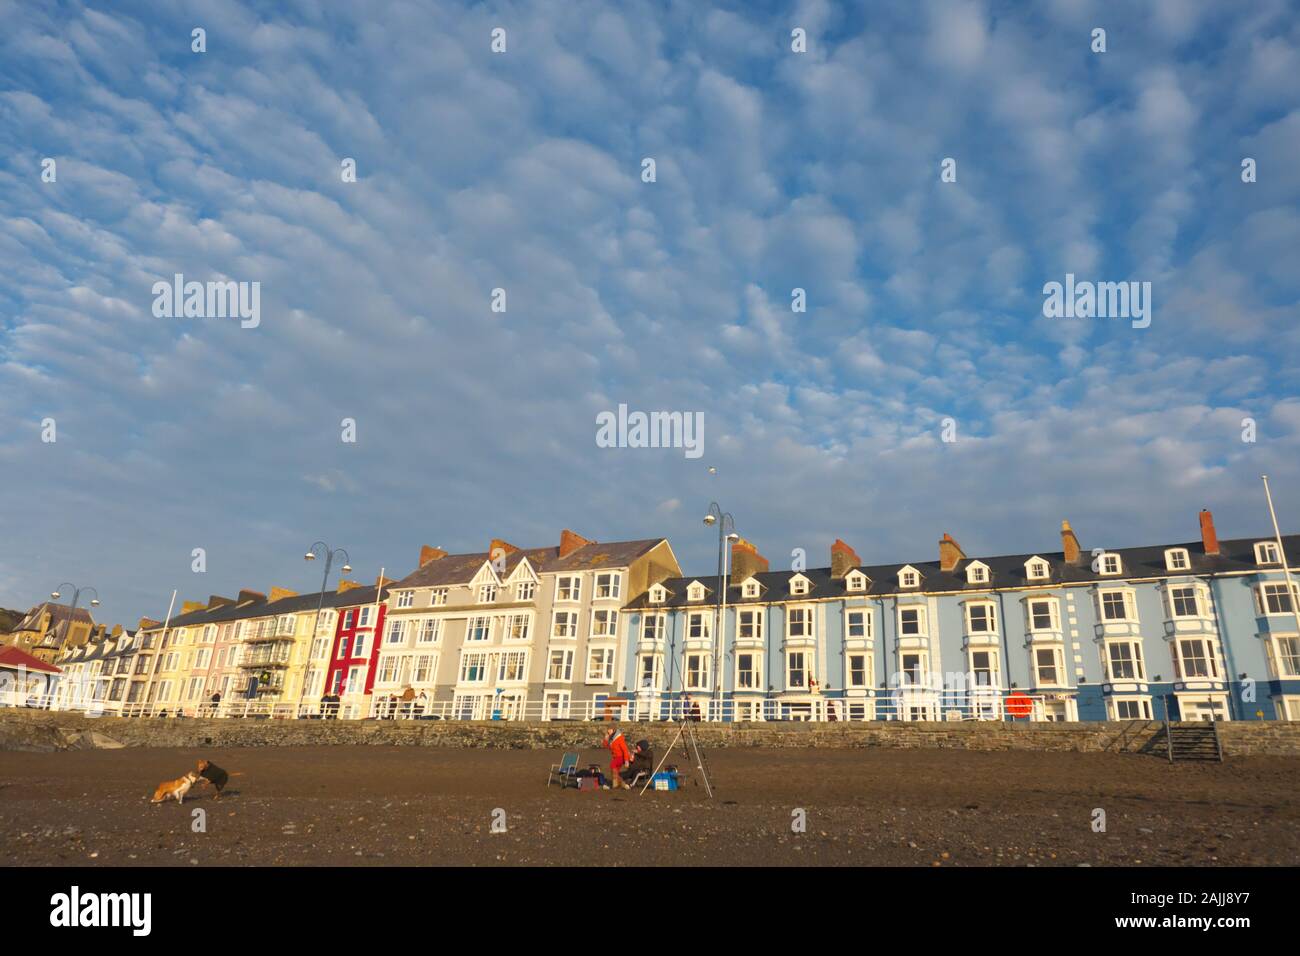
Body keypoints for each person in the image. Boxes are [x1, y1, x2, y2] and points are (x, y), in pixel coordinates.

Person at [600, 725, 633, 790]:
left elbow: (625, 749)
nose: (608, 731)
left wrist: (626, 760)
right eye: (608, 730)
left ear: (613, 730)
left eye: (609, 729)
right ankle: (622, 785)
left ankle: (617, 784)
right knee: (615, 772)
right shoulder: (611, 738)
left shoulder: (619, 738)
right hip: (616, 757)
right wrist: (605, 740)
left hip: (621, 757)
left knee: (612, 765)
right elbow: (608, 747)